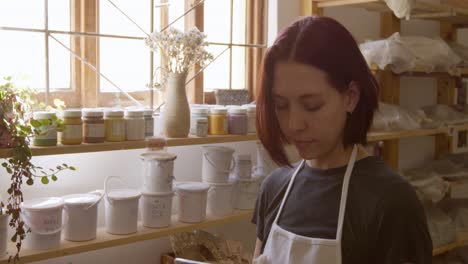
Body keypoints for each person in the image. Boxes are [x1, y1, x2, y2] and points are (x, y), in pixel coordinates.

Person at [252, 16, 432, 264]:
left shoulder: (391, 201)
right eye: (281, 105)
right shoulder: (274, 189)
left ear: (351, 97)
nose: (294, 124)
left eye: (312, 105)